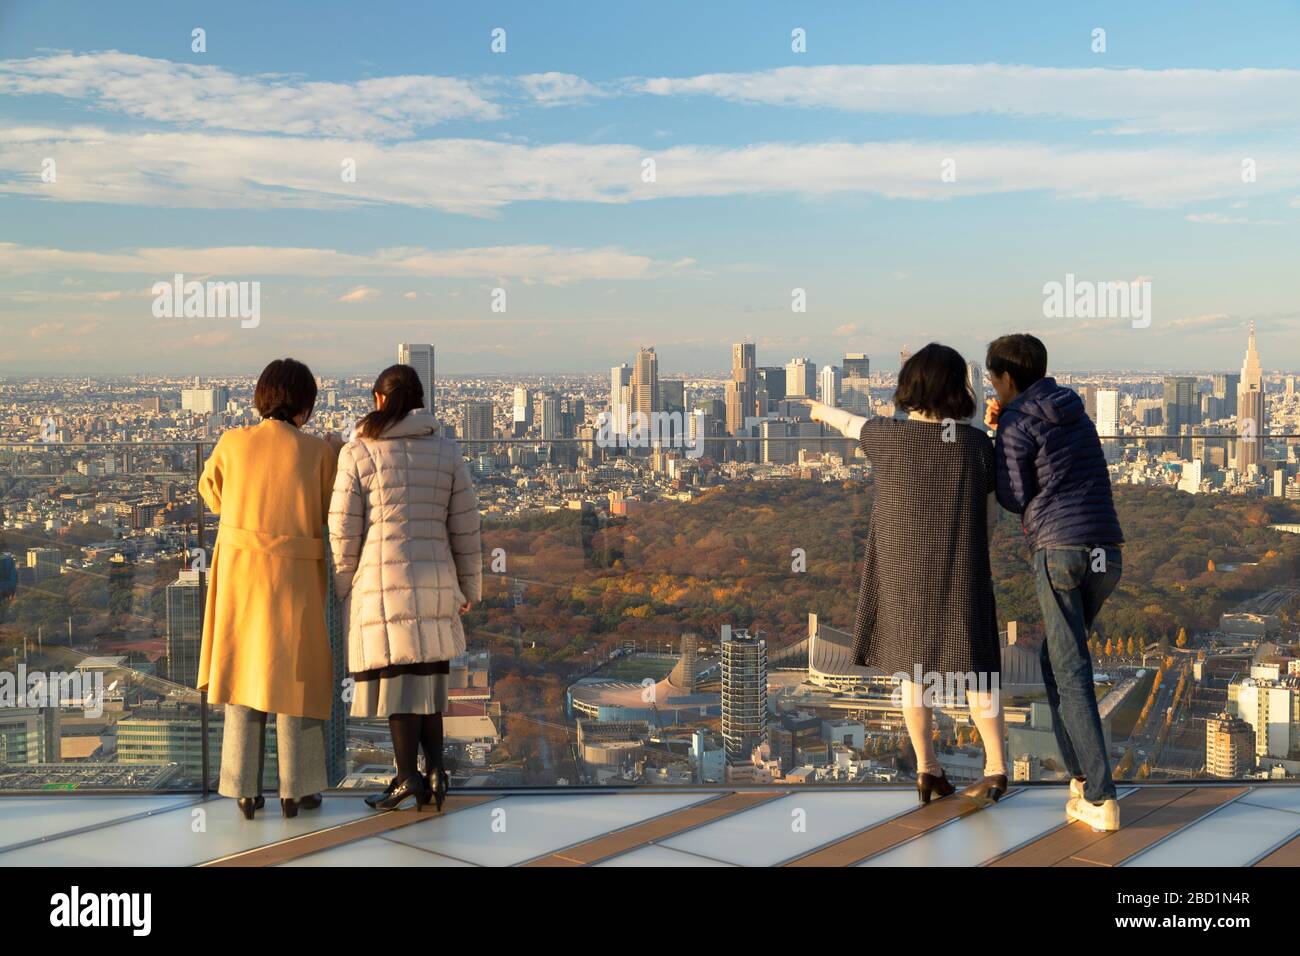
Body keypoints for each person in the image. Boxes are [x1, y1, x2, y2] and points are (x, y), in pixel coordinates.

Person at [812, 343, 1006, 806]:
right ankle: (996, 768)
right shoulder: (976, 446)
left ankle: (928, 770)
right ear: (957, 388)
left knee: (914, 677)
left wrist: (818, 409)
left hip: (903, 576)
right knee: (978, 671)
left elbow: (849, 424)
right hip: (961, 571)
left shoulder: (886, 437)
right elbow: (993, 514)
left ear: (909, 388)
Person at [984, 333, 1124, 831]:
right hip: (1107, 551)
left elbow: (1015, 496)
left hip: (1060, 551)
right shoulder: (1074, 409)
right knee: (1056, 660)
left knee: (1071, 670)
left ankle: (1101, 797)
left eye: (992, 378)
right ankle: (1083, 776)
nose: (991, 387)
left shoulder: (1018, 422)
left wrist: (1000, 437)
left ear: (1006, 378)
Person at [329, 364, 482, 812]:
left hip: (383, 581)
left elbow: (343, 530)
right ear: (418, 402)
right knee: (429, 685)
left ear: (379, 399)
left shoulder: (357, 453)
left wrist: (342, 585)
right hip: (436, 578)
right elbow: (466, 527)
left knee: (398, 686)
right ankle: (436, 772)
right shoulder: (446, 451)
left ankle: (406, 777)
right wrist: (469, 583)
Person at [198, 358, 342, 819]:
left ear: (261, 397)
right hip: (295, 579)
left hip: (240, 572)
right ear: (305, 404)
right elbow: (330, 507)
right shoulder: (317, 452)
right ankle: (295, 790)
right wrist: (337, 450)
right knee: (295, 679)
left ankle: (243, 789)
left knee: (244, 673)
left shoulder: (233, 442)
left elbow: (212, 493)